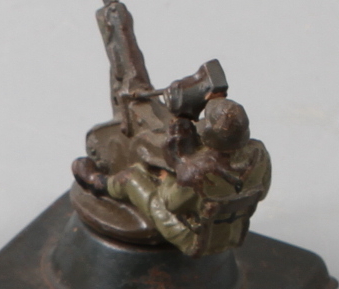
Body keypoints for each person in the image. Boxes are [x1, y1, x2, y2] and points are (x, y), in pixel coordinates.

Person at [104, 98, 271, 256]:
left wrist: (175, 167)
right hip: (234, 234)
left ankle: (102, 183)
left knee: (132, 177)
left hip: (192, 238)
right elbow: (262, 193)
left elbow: (171, 203)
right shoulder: (259, 154)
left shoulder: (197, 172)